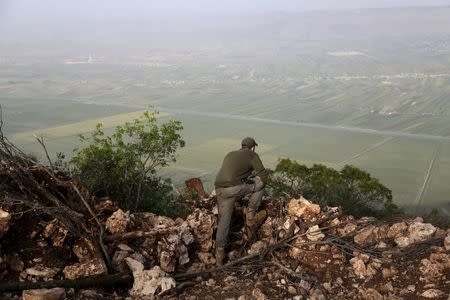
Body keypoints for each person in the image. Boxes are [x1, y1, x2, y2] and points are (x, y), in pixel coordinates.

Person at [214, 137, 268, 266]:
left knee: (224, 222)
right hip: (234, 188)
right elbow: (263, 175)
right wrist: (257, 180)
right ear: (253, 147)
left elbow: (232, 174)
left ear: (242, 146)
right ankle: (251, 212)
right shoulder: (252, 154)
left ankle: (219, 257)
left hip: (220, 189)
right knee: (261, 183)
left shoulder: (230, 154)